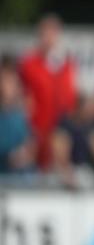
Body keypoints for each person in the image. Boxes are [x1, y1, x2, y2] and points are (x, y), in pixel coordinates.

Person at [18, 14, 78, 170]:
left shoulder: (66, 64)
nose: (49, 38)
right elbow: (23, 96)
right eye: (45, 33)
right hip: (35, 128)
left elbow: (69, 99)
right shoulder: (28, 63)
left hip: (60, 128)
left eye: (53, 33)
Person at [0, 55, 35, 176]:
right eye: (7, 80)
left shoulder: (19, 116)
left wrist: (26, 153)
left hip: (20, 177)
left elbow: (29, 144)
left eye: (14, 82)